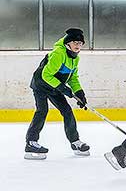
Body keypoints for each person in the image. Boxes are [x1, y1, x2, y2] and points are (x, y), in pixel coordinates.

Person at [25, 28, 90, 160]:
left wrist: (79, 93)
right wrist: (63, 88)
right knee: (42, 111)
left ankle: (75, 142)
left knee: (67, 111)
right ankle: (31, 143)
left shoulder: (75, 58)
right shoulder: (58, 54)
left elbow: (73, 77)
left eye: (80, 43)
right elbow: (46, 75)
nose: (78, 46)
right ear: (67, 44)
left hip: (54, 87)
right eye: (75, 42)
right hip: (41, 85)